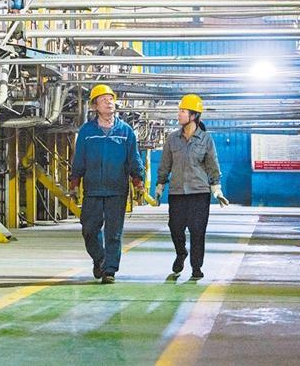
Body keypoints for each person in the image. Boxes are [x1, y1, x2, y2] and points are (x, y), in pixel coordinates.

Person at [70, 84, 145, 284]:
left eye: (111, 99)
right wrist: (74, 182)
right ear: (95, 106)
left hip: (117, 189)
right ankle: (100, 258)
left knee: (114, 233)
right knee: (89, 230)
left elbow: (134, 158)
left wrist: (138, 181)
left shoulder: (125, 131)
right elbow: (79, 159)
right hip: (93, 189)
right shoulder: (86, 131)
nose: (109, 103)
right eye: (103, 100)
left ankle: (110, 270)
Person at [155, 94, 229, 279]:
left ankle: (196, 267)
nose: (179, 114)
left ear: (193, 115)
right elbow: (165, 164)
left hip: (199, 193)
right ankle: (181, 253)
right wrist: (160, 185)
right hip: (177, 193)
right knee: (175, 227)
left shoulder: (206, 139)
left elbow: (212, 164)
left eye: (182, 111)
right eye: (179, 111)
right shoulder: (172, 139)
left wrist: (216, 189)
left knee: (197, 231)